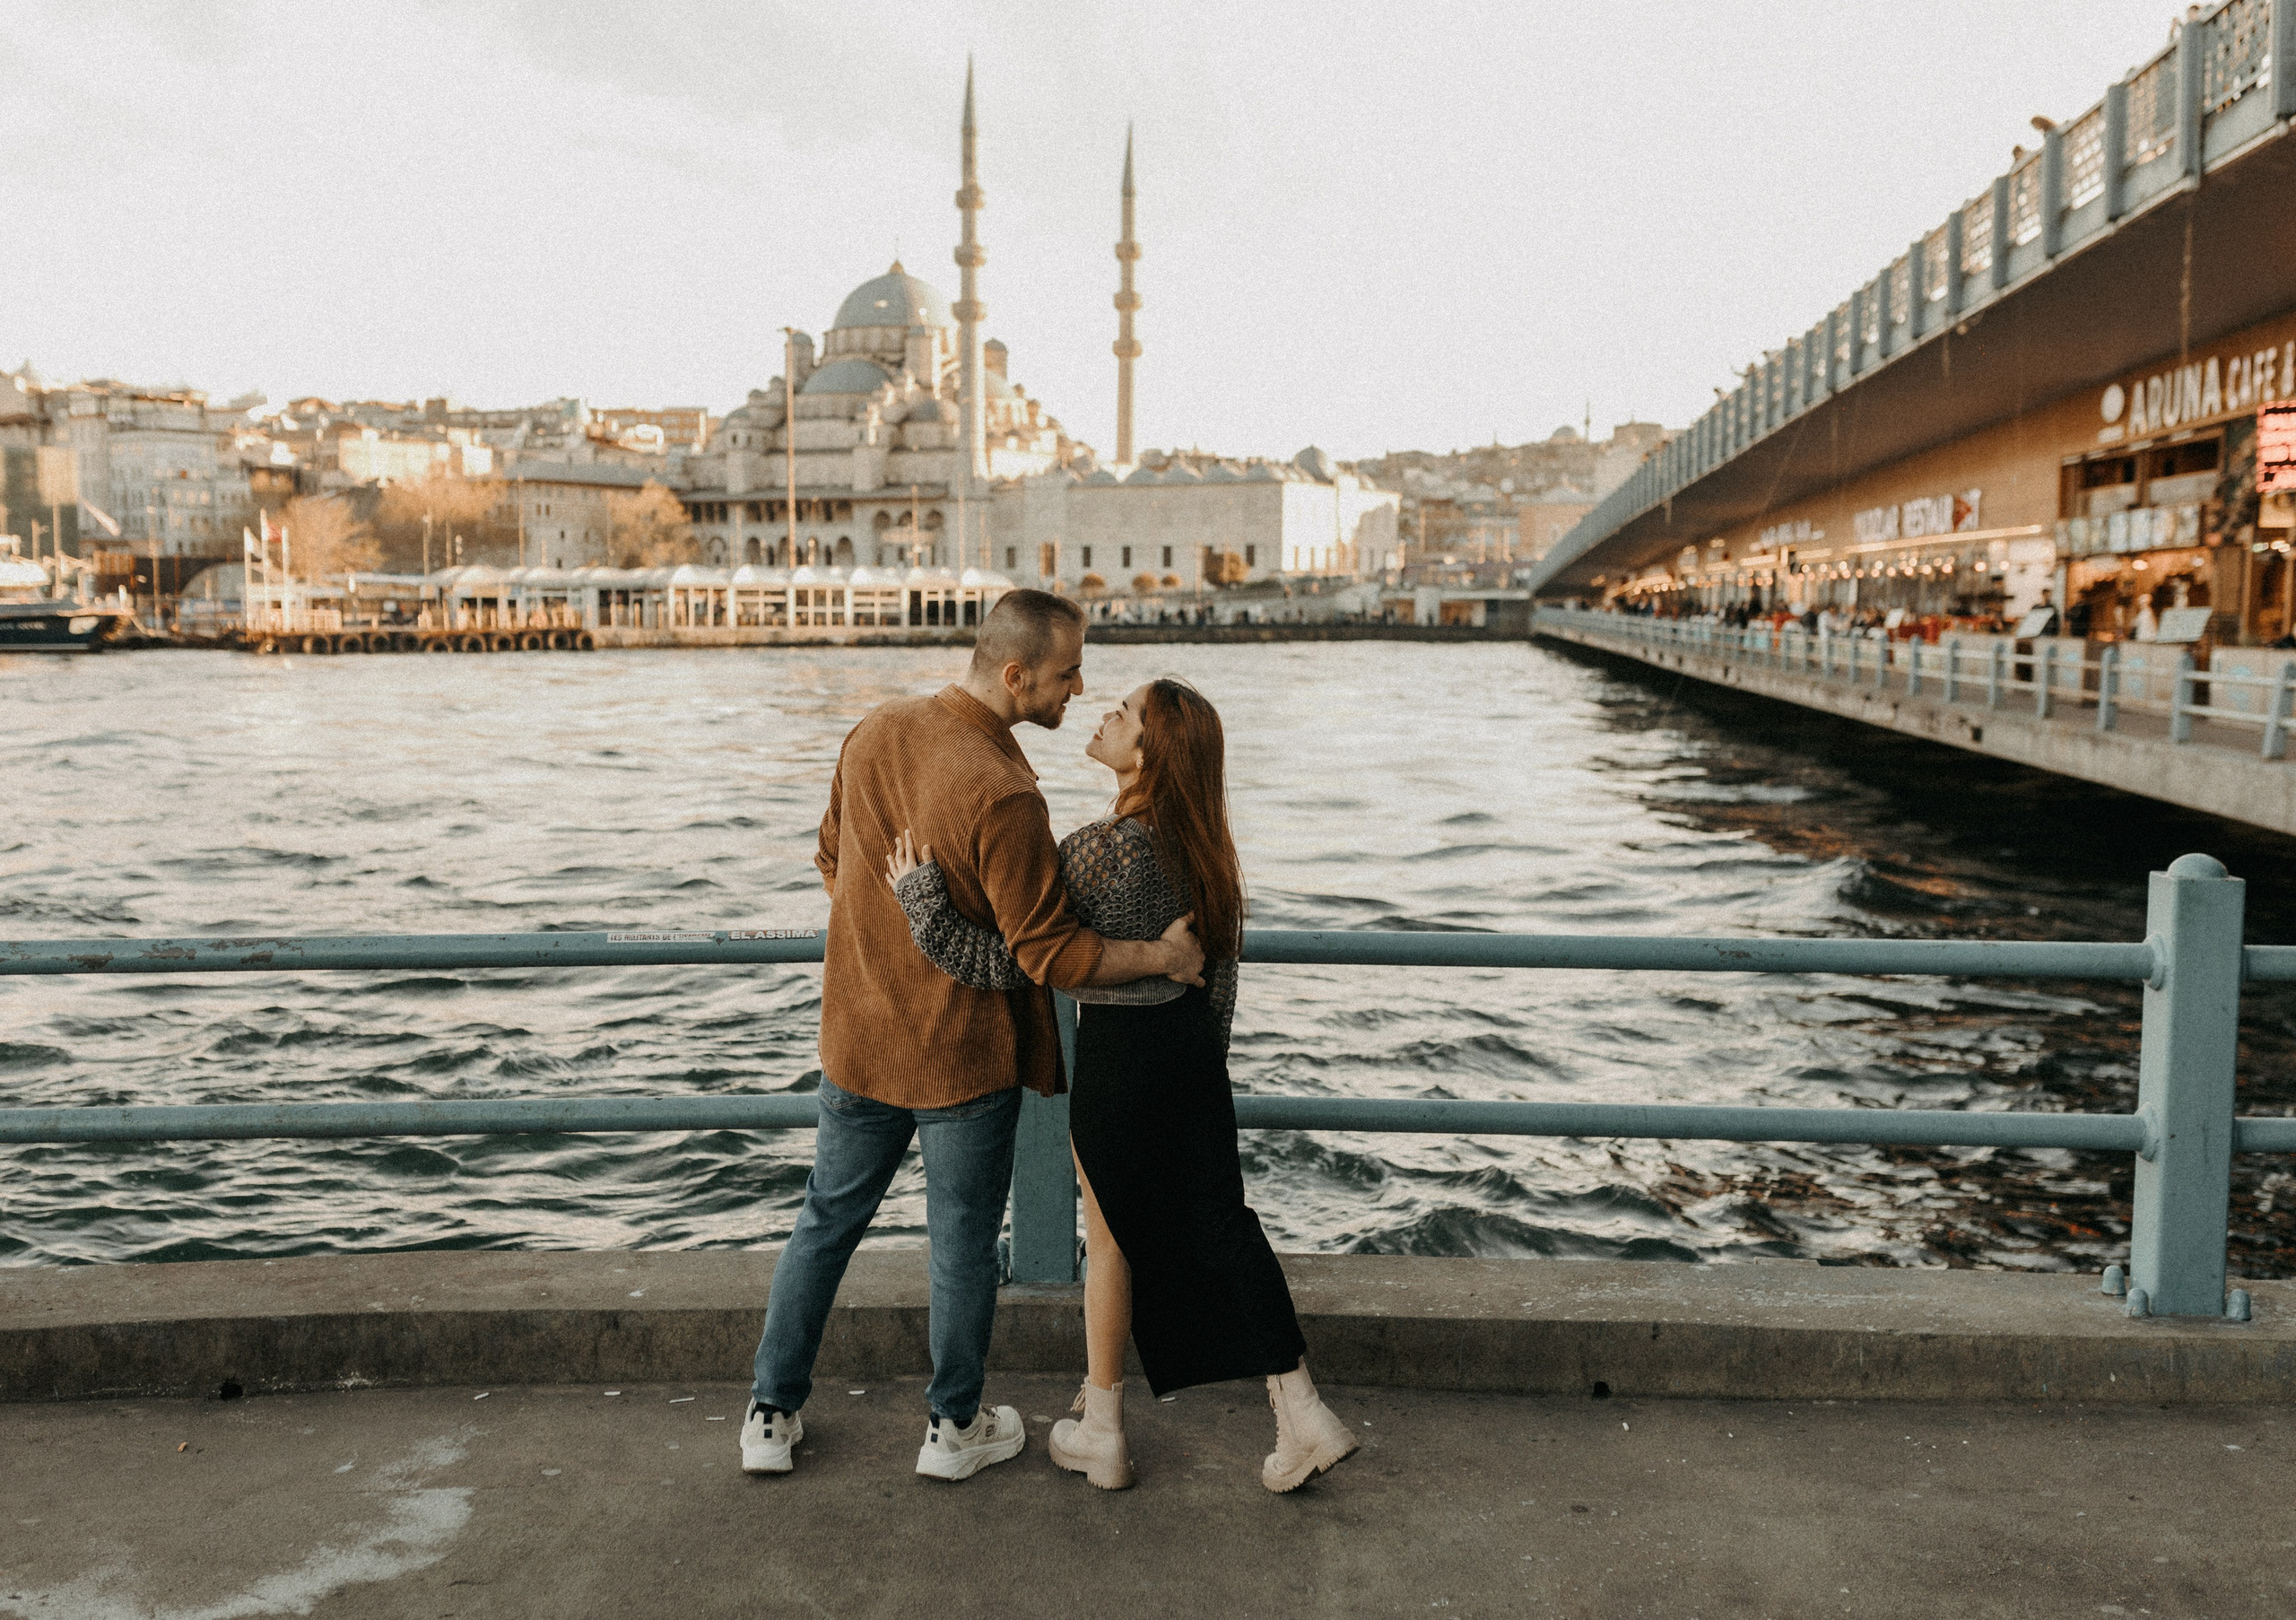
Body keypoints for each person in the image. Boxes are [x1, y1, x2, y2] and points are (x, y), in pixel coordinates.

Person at [742, 590, 1205, 1484]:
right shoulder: (1006, 795)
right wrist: (1159, 952)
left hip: (858, 1036)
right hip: (962, 1055)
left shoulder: (876, 730)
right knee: (959, 1244)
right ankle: (953, 1430)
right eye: (1067, 672)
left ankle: (769, 1414)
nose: (1079, 688)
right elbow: (1051, 954)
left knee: (824, 1223)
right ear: (1015, 674)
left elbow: (833, 859)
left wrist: (890, 944)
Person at [885, 677, 1360, 1495]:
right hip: (1187, 1055)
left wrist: (922, 906)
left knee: (1109, 1240)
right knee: (1220, 1222)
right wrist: (1197, 1075)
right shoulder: (1205, 849)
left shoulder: (1104, 851)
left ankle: (1112, 1429)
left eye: (1126, 712)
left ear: (1150, 751)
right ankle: (1290, 1407)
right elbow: (1221, 986)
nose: (1106, 712)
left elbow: (1018, 963)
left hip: (1120, 1058)